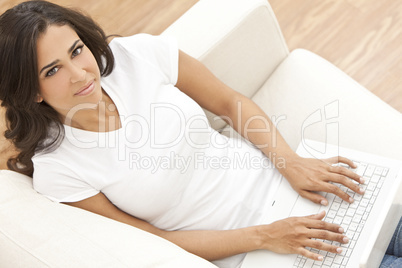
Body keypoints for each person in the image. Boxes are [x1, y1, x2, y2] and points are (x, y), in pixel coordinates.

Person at [0, 1, 400, 267]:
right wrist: (267, 236)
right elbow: (152, 241)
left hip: (293, 189)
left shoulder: (134, 56)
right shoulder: (60, 169)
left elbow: (228, 101)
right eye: (52, 70)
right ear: (30, 90)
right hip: (255, 250)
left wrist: (291, 162)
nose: (81, 73)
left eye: (76, 51)